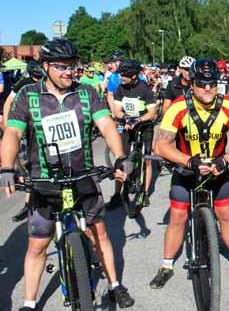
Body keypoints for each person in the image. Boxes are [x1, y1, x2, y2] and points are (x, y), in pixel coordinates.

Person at [0, 38, 135, 311]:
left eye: (73, 67)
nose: (69, 73)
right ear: (46, 66)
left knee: (100, 236)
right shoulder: (28, 95)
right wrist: (7, 166)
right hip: (44, 180)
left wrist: (121, 158)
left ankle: (114, 285)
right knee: (37, 245)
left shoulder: (86, 93)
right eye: (62, 67)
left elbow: (107, 125)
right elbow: (13, 131)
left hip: (83, 175)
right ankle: (28, 302)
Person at [150, 58, 229, 289]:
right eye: (201, 83)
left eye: (212, 83)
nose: (207, 88)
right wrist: (188, 161)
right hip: (186, 169)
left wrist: (224, 160)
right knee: (177, 218)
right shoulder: (178, 106)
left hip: (217, 167)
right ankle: (166, 265)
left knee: (226, 214)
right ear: (192, 83)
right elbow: (161, 145)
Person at [106, 59, 157, 210]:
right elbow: (116, 110)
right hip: (127, 125)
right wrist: (126, 118)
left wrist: (139, 120)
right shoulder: (120, 89)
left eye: (124, 75)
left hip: (145, 125)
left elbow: (152, 113)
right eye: (120, 74)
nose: (121, 77)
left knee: (147, 160)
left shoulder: (145, 89)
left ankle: (145, 193)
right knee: (121, 159)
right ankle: (117, 194)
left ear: (134, 76)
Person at [2, 60, 45, 222]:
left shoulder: (47, 82)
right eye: (35, 76)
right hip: (25, 129)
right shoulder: (23, 84)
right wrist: (7, 125)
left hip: (41, 129)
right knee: (30, 168)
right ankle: (28, 204)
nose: (37, 79)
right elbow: (8, 103)